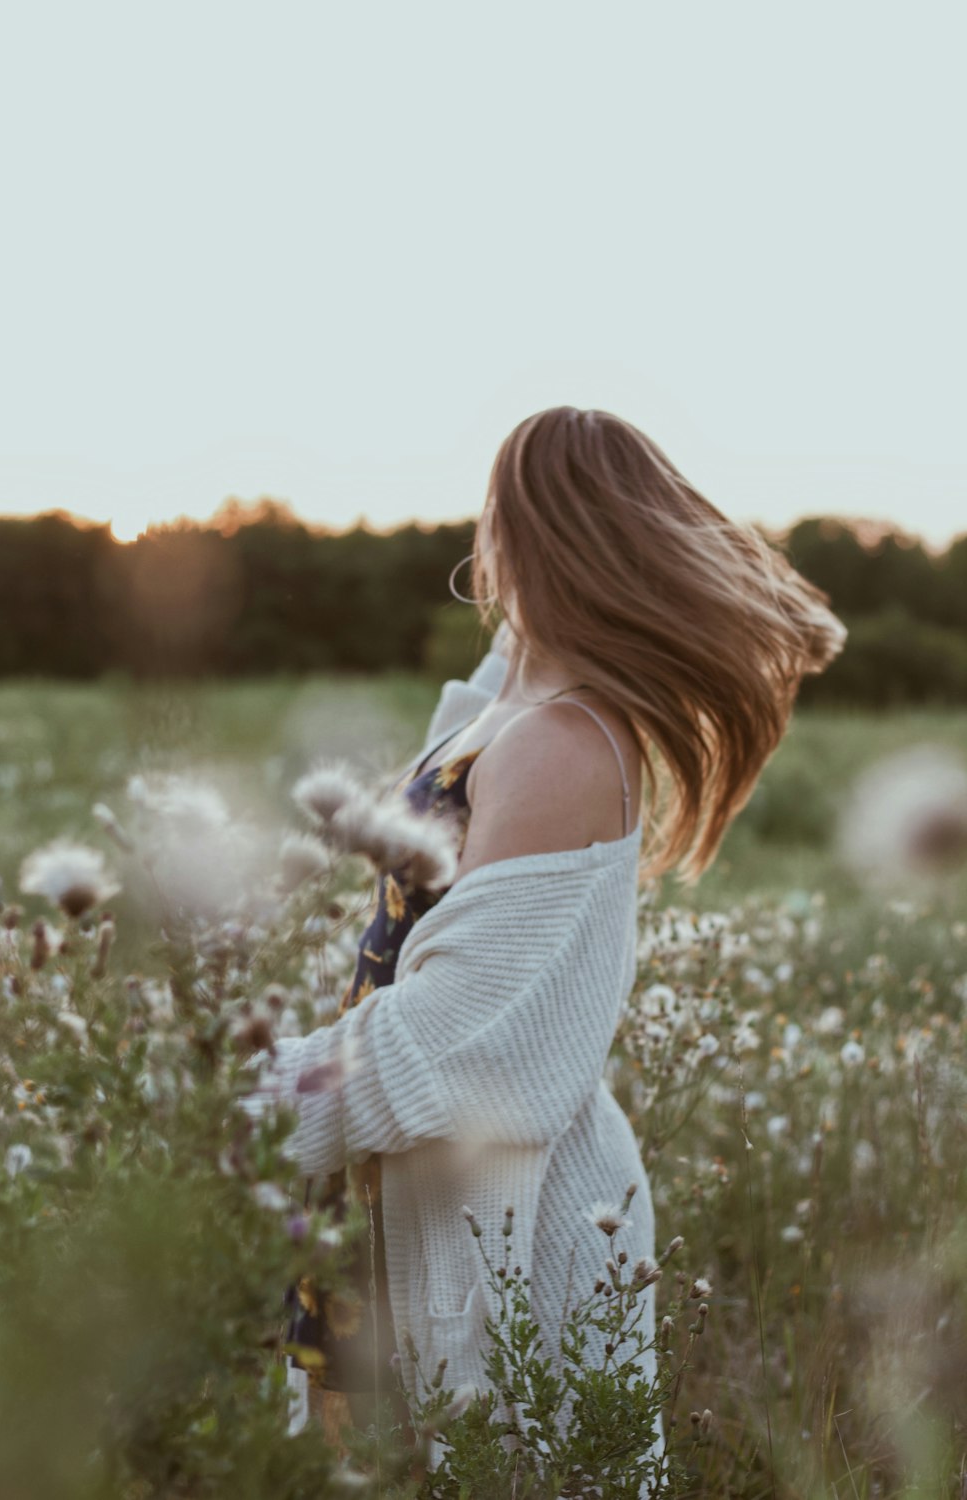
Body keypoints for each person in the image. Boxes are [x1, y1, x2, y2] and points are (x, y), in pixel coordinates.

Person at [240, 405, 848, 1465]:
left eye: (499, 520)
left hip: (513, 1228)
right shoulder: (511, 710)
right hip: (398, 1202)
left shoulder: (563, 746)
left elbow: (455, 1035)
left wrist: (237, 1110)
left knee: (507, 1471)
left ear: (528, 540)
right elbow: (504, 667)